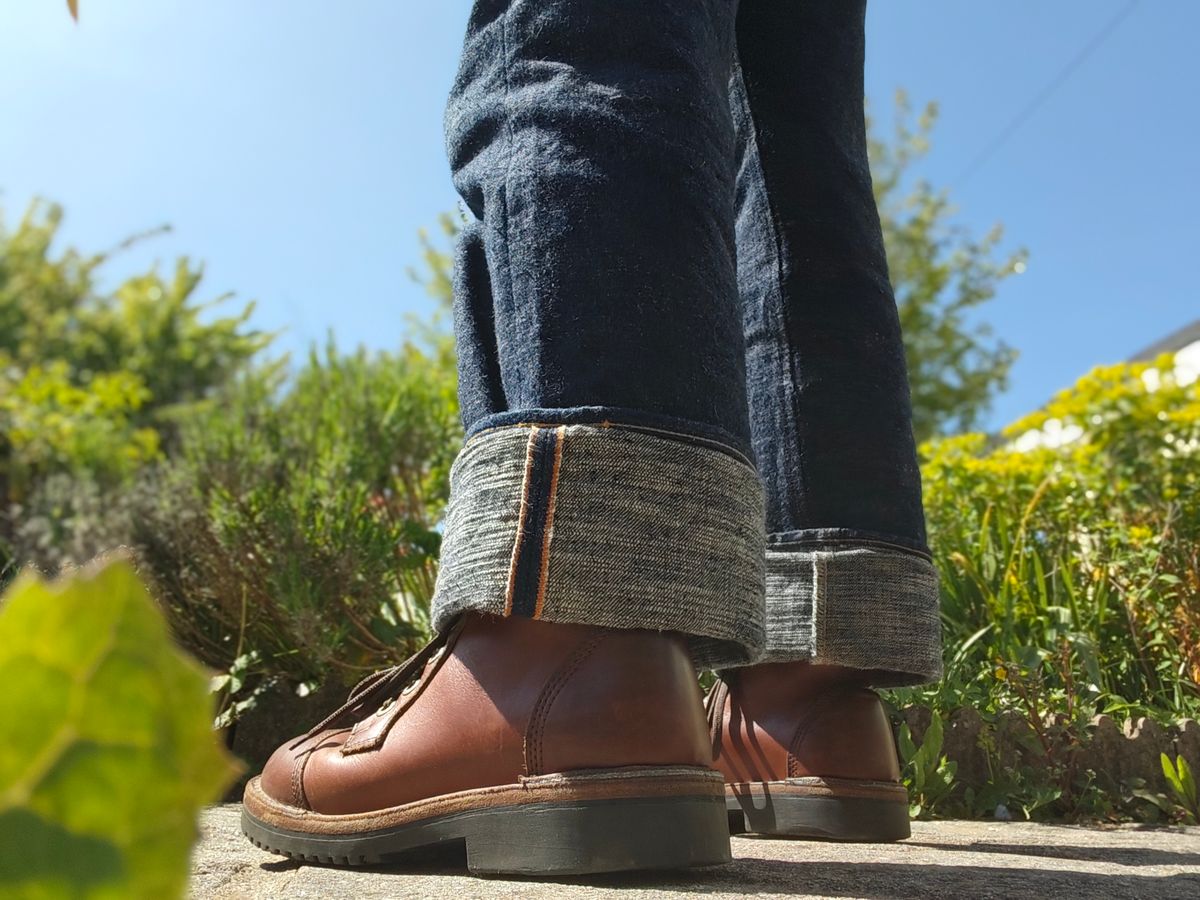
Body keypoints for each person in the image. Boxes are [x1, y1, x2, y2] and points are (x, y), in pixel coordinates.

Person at [241, 0, 940, 876]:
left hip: (552, 655)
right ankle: (803, 703)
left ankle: (559, 643)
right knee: (796, 139)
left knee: (595, 32)